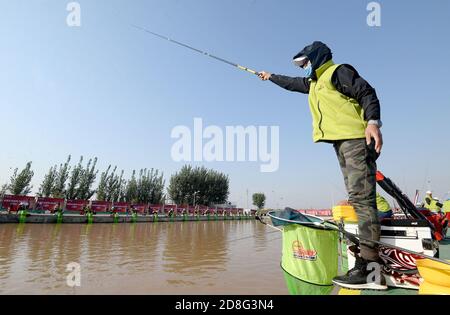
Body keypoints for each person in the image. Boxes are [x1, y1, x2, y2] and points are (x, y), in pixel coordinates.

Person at [259, 41, 385, 290]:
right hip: (341, 142)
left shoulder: (337, 72)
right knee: (357, 198)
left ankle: (372, 270)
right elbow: (290, 83)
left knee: (362, 199)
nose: (304, 67)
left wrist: (372, 122)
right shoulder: (314, 83)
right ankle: (366, 262)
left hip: (355, 139)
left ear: (316, 57)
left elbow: (367, 92)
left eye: (305, 62)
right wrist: (269, 76)